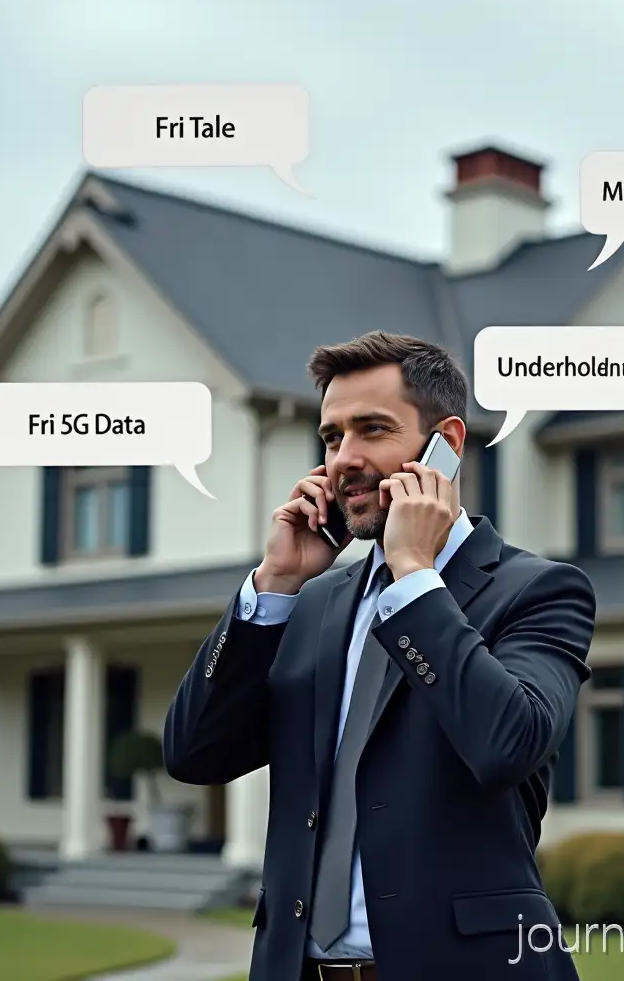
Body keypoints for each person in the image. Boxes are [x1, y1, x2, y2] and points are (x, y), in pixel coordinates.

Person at [164, 331, 595, 981]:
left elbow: (508, 743)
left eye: (371, 430)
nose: (345, 460)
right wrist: (275, 585)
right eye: (332, 437)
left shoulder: (538, 590)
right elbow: (194, 754)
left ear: (446, 444)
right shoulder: (310, 601)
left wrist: (414, 574)